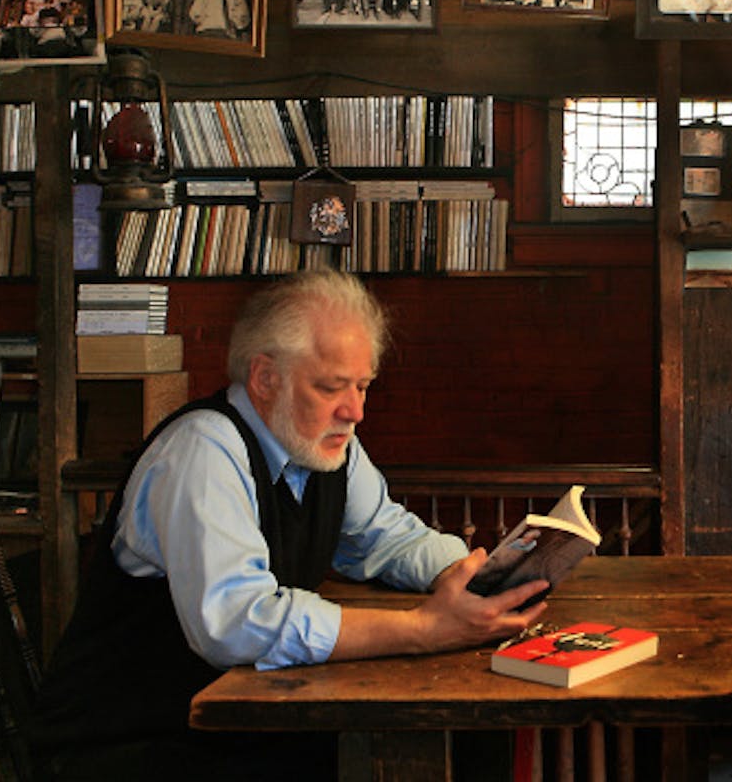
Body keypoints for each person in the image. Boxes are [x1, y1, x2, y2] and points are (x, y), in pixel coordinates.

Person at [28, 269, 548, 781]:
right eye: (332, 387)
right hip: (130, 744)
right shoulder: (203, 451)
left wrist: (479, 578)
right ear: (265, 378)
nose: (356, 411)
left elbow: (387, 536)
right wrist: (422, 629)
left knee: (471, 738)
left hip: (239, 721)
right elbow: (235, 621)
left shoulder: (322, 443)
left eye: (364, 386)